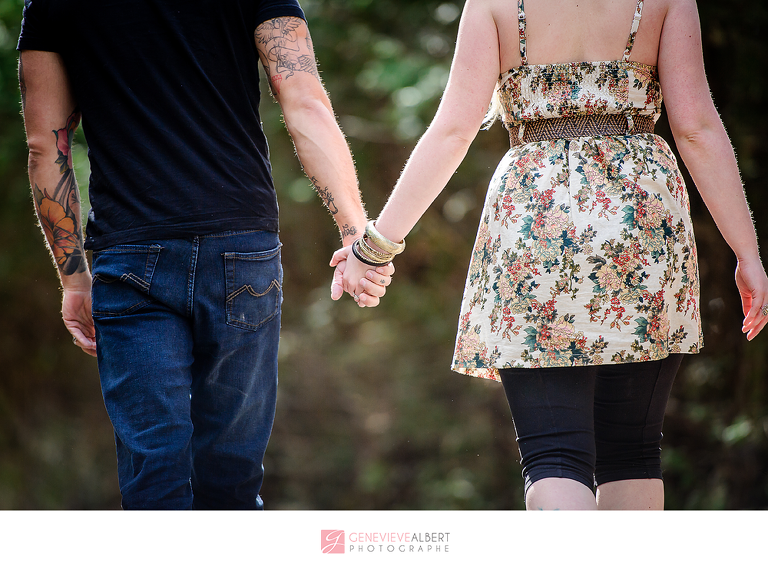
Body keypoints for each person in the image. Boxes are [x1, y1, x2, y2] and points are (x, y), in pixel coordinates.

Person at [333, 0, 768, 510]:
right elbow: (696, 129)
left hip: (534, 219)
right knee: (633, 451)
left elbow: (453, 132)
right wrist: (747, 252)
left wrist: (375, 247)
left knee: (554, 453)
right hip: (641, 221)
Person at [17, 0, 390, 510]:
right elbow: (305, 100)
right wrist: (354, 233)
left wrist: (74, 279)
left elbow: (46, 147)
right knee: (231, 478)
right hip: (242, 250)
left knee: (155, 479)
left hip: (130, 255)